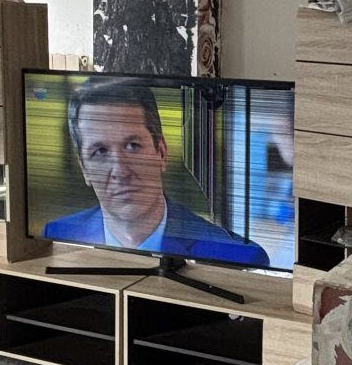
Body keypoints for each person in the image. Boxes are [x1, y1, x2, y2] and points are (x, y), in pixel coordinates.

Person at [41, 78, 269, 267]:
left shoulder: (237, 257)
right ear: (84, 169)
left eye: (132, 146)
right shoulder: (58, 236)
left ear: (161, 152)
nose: (120, 171)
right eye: (100, 151)